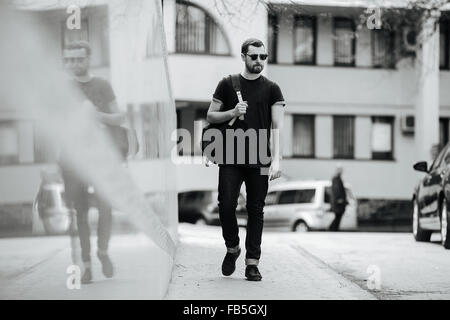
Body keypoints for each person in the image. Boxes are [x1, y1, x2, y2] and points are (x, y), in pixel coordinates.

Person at [206, 38, 285, 281]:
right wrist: (232, 112)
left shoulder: (273, 89)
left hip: (260, 158)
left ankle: (252, 262)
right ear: (243, 57)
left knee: (256, 209)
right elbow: (210, 115)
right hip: (231, 156)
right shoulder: (227, 84)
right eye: (254, 57)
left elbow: (277, 128)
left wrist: (277, 160)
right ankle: (232, 248)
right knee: (226, 205)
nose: (259, 61)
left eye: (263, 57)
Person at [61, 40, 126, 284]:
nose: (74, 63)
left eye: (78, 59)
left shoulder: (102, 85)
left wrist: (95, 115)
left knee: (105, 206)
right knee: (80, 212)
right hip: (73, 159)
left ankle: (103, 252)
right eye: (69, 60)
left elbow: (119, 117)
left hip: (101, 158)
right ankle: (86, 264)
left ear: (88, 59)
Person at [329, 164, 348, 232]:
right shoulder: (336, 179)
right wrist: (339, 199)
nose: (341, 171)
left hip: (338, 202)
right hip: (338, 202)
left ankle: (333, 229)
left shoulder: (337, 178)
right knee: (338, 216)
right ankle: (332, 229)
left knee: (338, 216)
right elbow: (337, 190)